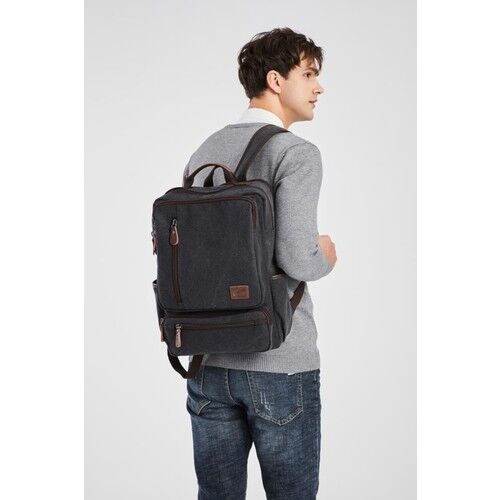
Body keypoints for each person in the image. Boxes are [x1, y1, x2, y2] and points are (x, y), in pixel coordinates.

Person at [182, 27, 338, 500]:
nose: (318, 87)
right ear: (275, 79)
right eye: (308, 74)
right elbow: (297, 258)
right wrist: (326, 255)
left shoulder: (205, 152)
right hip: (279, 363)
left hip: (207, 363)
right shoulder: (295, 153)